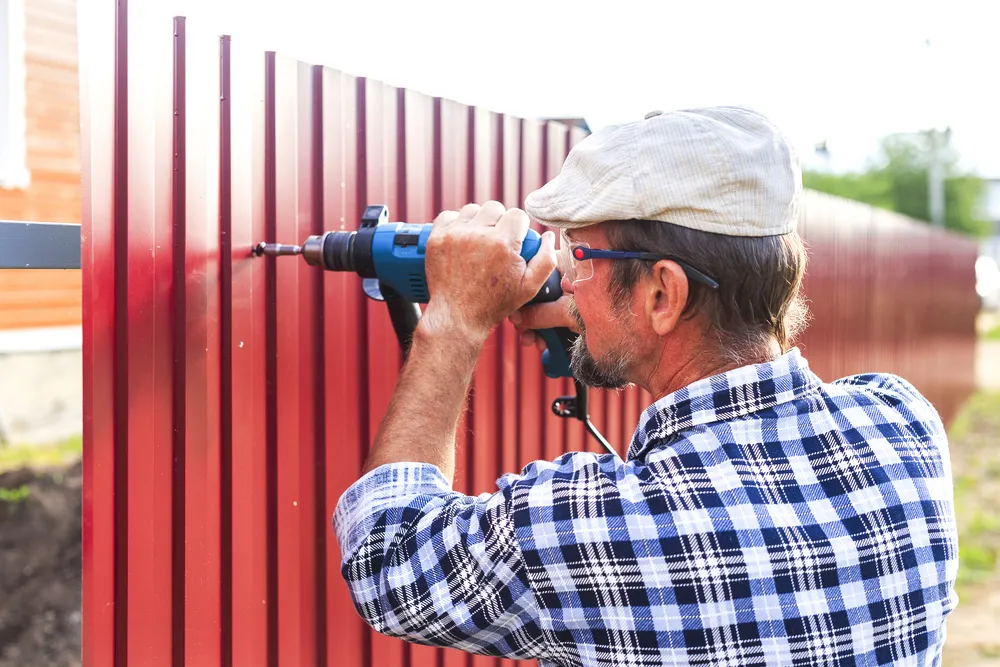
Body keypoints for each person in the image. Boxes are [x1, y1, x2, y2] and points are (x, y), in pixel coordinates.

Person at [332, 106, 958, 666]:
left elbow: (389, 562)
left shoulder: (589, 531)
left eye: (580, 256)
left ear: (663, 294)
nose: (565, 277)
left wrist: (454, 321)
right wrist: (612, 315)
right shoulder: (901, 424)